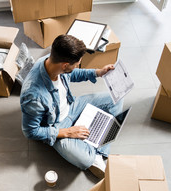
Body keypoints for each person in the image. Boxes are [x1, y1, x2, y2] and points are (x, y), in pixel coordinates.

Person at [20, 34, 123, 178]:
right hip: (57, 125)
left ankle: (97, 152)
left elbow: (72, 74)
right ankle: (95, 150)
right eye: (77, 63)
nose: (78, 66)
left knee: (116, 99)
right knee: (84, 159)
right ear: (65, 65)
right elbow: (30, 131)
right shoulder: (33, 96)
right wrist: (68, 132)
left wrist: (98, 72)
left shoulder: (50, 61)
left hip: (72, 105)